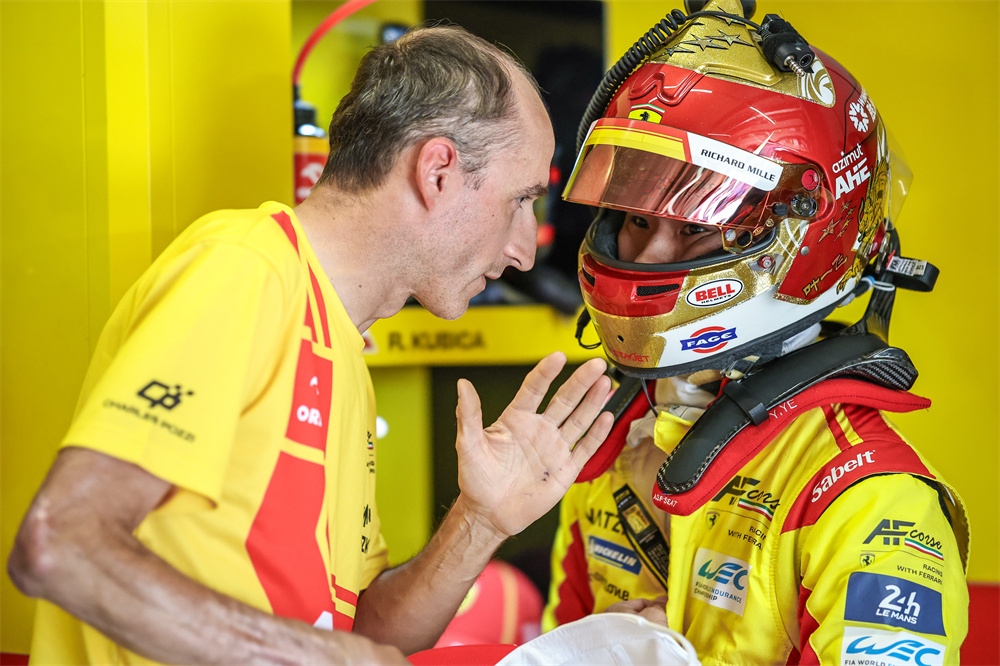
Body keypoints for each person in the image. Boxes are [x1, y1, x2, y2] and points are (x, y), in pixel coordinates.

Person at [7, 26, 615, 665]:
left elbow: (364, 639)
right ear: (437, 172)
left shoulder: (341, 343)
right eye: (521, 200)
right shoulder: (245, 272)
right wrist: (307, 658)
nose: (524, 251)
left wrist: (480, 520)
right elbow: (61, 542)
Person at [542, 2, 970, 664]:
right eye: (635, 220)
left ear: (806, 238)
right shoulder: (607, 446)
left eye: (695, 227)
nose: (648, 256)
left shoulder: (872, 503)